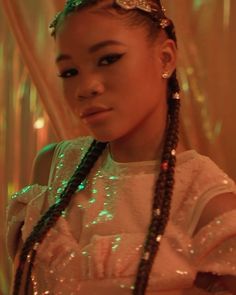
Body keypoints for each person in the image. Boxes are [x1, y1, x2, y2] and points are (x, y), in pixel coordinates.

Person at [6, 0, 236, 294]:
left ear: (165, 58)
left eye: (108, 59)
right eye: (69, 72)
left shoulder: (208, 204)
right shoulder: (53, 168)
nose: (86, 86)